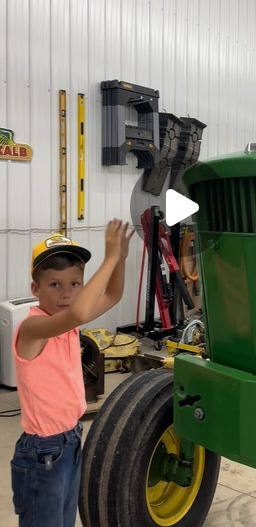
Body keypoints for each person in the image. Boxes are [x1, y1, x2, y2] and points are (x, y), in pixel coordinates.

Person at [10, 219, 134, 527]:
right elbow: (79, 311)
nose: (66, 293)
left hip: (70, 441)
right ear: (35, 288)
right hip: (43, 452)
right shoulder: (33, 328)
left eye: (75, 284)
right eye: (55, 284)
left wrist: (121, 259)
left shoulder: (67, 323)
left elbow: (113, 295)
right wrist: (109, 258)